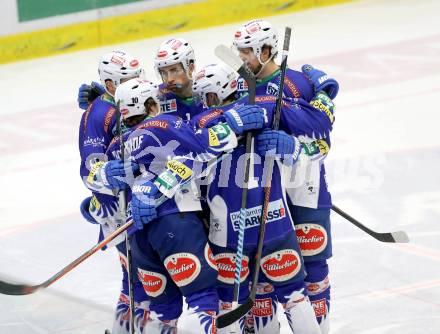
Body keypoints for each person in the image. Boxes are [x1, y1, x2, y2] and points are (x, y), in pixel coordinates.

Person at [100, 77, 266, 333]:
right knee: (202, 299)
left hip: (137, 237)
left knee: (163, 312)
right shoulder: (164, 123)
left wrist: (96, 202)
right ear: (150, 104)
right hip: (175, 223)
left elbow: (99, 185)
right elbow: (202, 147)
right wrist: (233, 124)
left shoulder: (115, 146)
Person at [190, 62, 335, 334]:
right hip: (276, 219)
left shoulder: (200, 123)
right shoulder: (267, 106)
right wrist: (324, 91)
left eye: (203, 97)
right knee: (295, 295)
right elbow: (320, 126)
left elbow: (183, 159)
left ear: (212, 96)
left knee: (230, 302)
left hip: (230, 230)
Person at [232, 19, 339, 334]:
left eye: (247, 53)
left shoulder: (297, 83)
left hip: (304, 186)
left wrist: (294, 148)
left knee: (313, 268)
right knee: (264, 272)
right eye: (239, 53)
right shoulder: (237, 86)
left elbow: (322, 141)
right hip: (261, 189)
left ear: (267, 50)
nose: (242, 60)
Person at [78, 50, 151, 334]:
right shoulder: (98, 114)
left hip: (139, 200)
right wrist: (104, 191)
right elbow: (90, 169)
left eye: (137, 76)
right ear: (109, 84)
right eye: (127, 79)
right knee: (135, 279)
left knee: (145, 277)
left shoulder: (126, 101)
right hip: (118, 208)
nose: (136, 83)